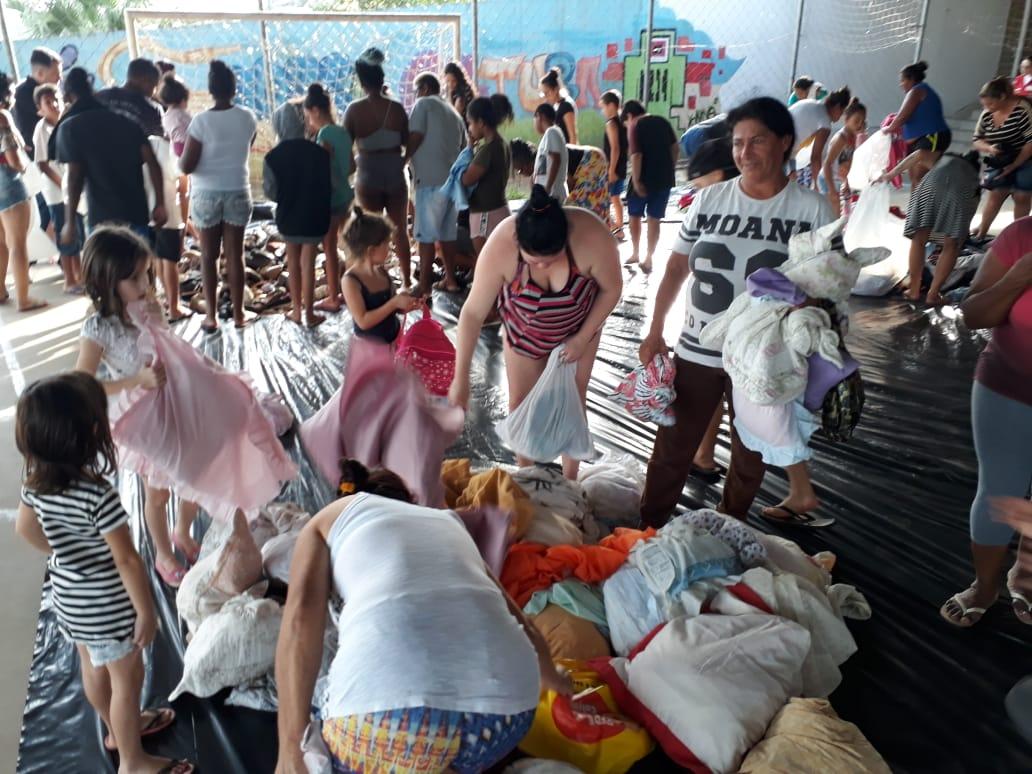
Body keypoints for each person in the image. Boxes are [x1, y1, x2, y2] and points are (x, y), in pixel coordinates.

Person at [274, 460, 567, 774]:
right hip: (508, 711)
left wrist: (291, 747)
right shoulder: (448, 521)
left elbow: (300, 616)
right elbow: (521, 620)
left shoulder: (327, 519)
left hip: (388, 723)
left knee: (345, 734)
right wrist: (556, 680)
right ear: (407, 500)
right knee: (430, 748)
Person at [638, 96, 834, 527]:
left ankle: (730, 523)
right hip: (699, 349)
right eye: (738, 143)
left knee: (752, 450)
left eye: (756, 141)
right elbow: (674, 270)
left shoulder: (812, 209)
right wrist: (655, 330)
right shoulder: (709, 202)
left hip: (765, 357)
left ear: (785, 142)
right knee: (672, 447)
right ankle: (646, 531)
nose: (744, 153)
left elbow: (825, 288)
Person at [14, 372, 195, 774]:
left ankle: (116, 729)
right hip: (109, 605)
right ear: (90, 432)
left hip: (70, 600)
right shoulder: (98, 495)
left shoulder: (34, 483)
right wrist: (146, 611)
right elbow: (128, 560)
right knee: (128, 679)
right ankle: (133, 760)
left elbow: (25, 529)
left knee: (92, 667)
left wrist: (66, 551)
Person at [449, 185, 622, 479]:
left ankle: (570, 482)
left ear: (566, 237)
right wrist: (460, 378)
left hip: (580, 326)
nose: (542, 265)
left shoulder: (591, 236)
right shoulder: (501, 245)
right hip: (524, 329)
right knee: (521, 405)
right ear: (518, 241)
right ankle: (528, 477)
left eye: (550, 259)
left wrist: (581, 339)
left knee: (574, 403)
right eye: (533, 260)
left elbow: (612, 288)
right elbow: (473, 313)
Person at [74, 226, 200, 586]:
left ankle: (184, 532)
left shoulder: (147, 307)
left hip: (176, 404)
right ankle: (163, 551)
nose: (145, 284)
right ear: (108, 282)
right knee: (158, 491)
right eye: (134, 278)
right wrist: (136, 382)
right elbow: (83, 383)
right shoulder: (99, 328)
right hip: (144, 419)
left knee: (193, 478)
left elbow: (166, 348)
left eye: (147, 273)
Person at [939, 217, 1032, 627]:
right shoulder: (1022, 237)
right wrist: (1018, 277)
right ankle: (985, 584)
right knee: (1000, 491)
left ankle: (1026, 572)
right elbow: (973, 313)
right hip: (1009, 388)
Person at [180, 60, 257, 332]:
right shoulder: (247, 117)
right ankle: (238, 315)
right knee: (235, 256)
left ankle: (211, 316)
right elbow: (245, 148)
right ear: (234, 88)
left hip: (206, 195)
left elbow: (187, 165)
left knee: (208, 256)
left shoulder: (200, 122)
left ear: (210, 90)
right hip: (238, 189)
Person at [683, 138, 740, 484]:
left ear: (719, 174)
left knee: (741, 400)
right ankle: (703, 454)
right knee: (717, 391)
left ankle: (797, 486)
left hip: (733, 324)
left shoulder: (726, 206)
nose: (696, 194)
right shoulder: (715, 205)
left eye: (699, 185)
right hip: (712, 322)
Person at [57, 69, 166, 250]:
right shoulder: (127, 121)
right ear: (92, 91)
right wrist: (160, 203)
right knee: (139, 270)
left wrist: (69, 223)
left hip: (101, 217)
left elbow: (75, 177)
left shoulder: (69, 128)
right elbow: (153, 163)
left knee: (106, 274)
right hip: (136, 212)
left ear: (67, 97)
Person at [343, 48, 412, 288]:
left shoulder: (354, 110)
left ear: (362, 82)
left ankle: (374, 282)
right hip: (394, 173)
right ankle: (405, 281)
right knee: (400, 230)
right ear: (382, 79)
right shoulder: (396, 109)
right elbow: (406, 141)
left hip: (368, 175)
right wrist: (403, 160)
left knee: (370, 234)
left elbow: (345, 147)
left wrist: (351, 168)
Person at [878, 151, 981, 304]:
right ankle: (933, 295)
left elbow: (918, 155)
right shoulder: (973, 178)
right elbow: (959, 232)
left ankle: (914, 290)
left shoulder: (944, 157)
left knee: (919, 240)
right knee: (952, 245)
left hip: (931, 184)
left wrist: (890, 175)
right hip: (961, 192)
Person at [264, 107, 332, 328]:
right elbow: (326, 186)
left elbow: (270, 193)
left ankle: (296, 311)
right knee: (309, 263)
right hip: (314, 216)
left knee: (292, 261)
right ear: (303, 123)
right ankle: (310, 313)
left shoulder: (273, 156)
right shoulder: (320, 152)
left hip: (288, 215)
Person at [406, 72, 466, 296]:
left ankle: (424, 286)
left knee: (426, 237)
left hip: (429, 181)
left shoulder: (423, 105)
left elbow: (416, 136)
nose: (415, 96)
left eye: (416, 91)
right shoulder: (453, 112)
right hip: (451, 183)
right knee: (447, 234)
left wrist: (403, 159)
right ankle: (450, 279)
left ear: (424, 89)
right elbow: (464, 148)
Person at [302, 83, 354, 313]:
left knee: (330, 248)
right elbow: (351, 165)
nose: (308, 121)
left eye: (307, 115)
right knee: (345, 246)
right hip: (345, 195)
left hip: (330, 199)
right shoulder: (342, 131)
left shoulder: (324, 134)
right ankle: (349, 290)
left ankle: (333, 296)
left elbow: (320, 166)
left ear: (314, 110)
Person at [340, 206, 419, 345]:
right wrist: (394, 303)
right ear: (371, 250)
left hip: (393, 340)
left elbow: (391, 308)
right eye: (387, 244)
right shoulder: (350, 281)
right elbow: (363, 321)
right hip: (370, 352)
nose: (391, 248)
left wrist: (405, 305)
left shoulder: (382, 273)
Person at [33, 83, 83, 293]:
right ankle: (69, 279)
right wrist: (62, 183)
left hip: (73, 190)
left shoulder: (69, 123)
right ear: (39, 109)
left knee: (78, 233)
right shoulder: (41, 129)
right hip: (56, 192)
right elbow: (42, 163)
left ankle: (82, 277)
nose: (53, 104)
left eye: (56, 99)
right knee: (66, 234)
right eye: (47, 102)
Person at [0, 74, 43, 312]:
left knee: (0, 243)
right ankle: (24, 299)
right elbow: (13, 158)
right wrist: (25, 166)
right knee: (17, 243)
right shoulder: (2, 116)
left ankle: (0, 289)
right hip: (7, 181)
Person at [970, 77, 1032, 241]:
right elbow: (977, 140)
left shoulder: (1022, 110)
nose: (987, 108)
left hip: (1026, 157)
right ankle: (981, 232)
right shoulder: (987, 114)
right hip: (1000, 157)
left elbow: (1030, 142)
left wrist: (1014, 165)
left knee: (1022, 196)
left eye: (990, 104)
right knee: (996, 194)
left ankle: (1019, 236)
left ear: (1003, 97)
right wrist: (990, 148)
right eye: (985, 104)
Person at [622, 99, 678, 272]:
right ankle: (648, 258)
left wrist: (637, 180)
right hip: (664, 179)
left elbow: (636, 155)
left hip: (644, 179)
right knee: (655, 219)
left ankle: (635, 252)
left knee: (634, 216)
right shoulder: (662, 121)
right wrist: (670, 167)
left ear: (629, 116)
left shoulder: (634, 126)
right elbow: (675, 147)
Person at [13, 47, 59, 241]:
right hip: (38, 163)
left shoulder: (35, 92)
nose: (59, 79)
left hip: (46, 162)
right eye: (56, 74)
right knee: (46, 209)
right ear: (40, 73)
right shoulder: (27, 94)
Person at [882, 61, 951, 186]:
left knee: (920, 177)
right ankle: (914, 205)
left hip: (934, 136)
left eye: (902, 80)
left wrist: (888, 129)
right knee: (915, 178)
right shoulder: (917, 91)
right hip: (921, 139)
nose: (900, 84)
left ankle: (923, 203)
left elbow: (902, 117)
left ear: (912, 79)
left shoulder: (917, 91)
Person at [462, 96, 512, 258]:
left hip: (485, 215)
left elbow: (466, 179)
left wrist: (469, 150)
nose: (469, 128)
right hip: (499, 209)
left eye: (470, 123)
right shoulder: (501, 144)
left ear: (481, 122)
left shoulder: (488, 150)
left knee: (486, 260)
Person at [789, 86, 851, 190]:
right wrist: (818, 188)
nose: (840, 117)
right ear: (837, 107)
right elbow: (815, 158)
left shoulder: (812, 103)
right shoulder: (825, 122)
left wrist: (792, 170)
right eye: (842, 112)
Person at [157, 73, 193, 242]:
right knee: (185, 193)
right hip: (184, 157)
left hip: (171, 158)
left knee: (178, 193)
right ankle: (184, 229)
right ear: (184, 99)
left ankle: (185, 230)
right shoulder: (184, 116)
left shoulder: (166, 115)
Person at [96, 58, 164, 138]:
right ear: (144, 80)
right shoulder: (152, 109)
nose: (154, 92)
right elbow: (160, 141)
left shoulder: (100, 96)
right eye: (154, 86)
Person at [821, 98, 866, 217]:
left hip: (837, 180)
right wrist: (831, 190)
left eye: (862, 122)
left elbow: (851, 162)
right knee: (831, 218)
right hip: (827, 180)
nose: (860, 125)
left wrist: (846, 182)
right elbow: (827, 164)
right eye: (857, 121)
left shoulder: (853, 136)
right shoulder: (841, 138)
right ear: (846, 120)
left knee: (836, 217)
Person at [599, 89, 627, 239]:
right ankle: (619, 227)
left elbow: (615, 147)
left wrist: (611, 170)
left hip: (614, 167)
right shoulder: (622, 122)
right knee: (615, 198)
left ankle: (616, 229)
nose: (602, 110)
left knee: (607, 199)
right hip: (620, 166)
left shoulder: (611, 123)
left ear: (611, 105)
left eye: (603, 106)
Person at [563, 145, 610, 223]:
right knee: (599, 203)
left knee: (577, 207)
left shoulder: (547, 160)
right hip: (597, 156)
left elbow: (569, 182)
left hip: (589, 161)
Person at [532, 103, 569, 203]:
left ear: (540, 116)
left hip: (552, 193)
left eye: (534, 118)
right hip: (548, 193)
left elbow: (556, 160)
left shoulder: (551, 132)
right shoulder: (551, 133)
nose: (534, 123)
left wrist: (547, 188)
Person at [540, 66, 577, 143]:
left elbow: (572, 135)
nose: (546, 97)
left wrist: (571, 153)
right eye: (544, 94)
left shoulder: (566, 106)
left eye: (547, 93)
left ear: (556, 89)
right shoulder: (556, 107)